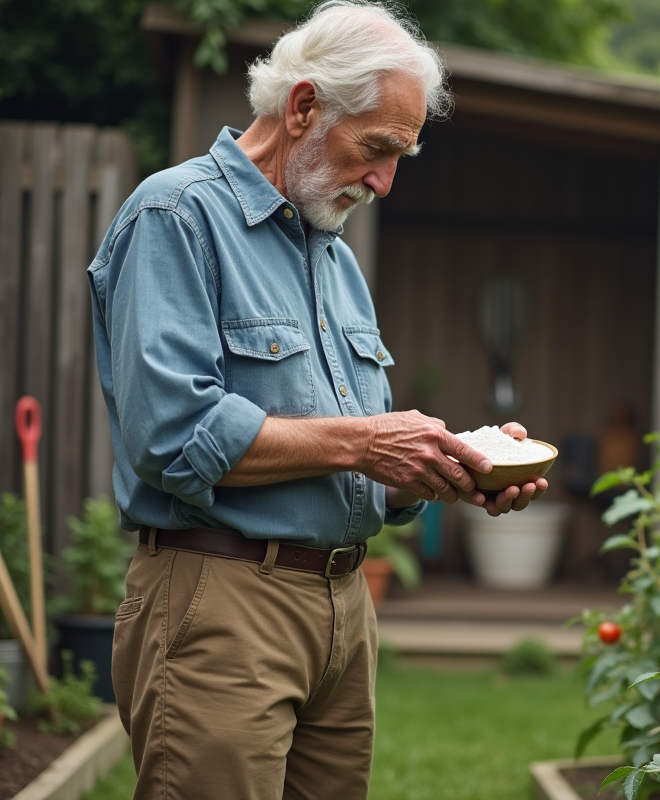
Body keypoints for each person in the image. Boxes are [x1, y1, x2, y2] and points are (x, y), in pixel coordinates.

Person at [86, 3, 546, 798]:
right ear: (302, 108)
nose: (385, 181)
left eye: (402, 155)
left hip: (343, 608)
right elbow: (169, 437)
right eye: (376, 148)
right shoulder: (176, 215)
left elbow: (360, 463)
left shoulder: (331, 252)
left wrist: (443, 469)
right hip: (222, 602)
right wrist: (369, 442)